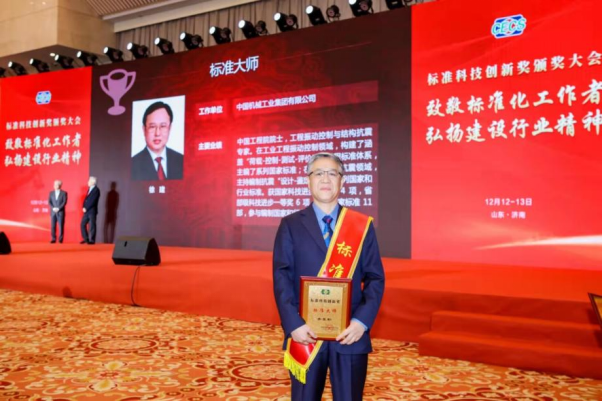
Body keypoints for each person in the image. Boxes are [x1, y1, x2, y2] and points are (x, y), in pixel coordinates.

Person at [273, 152, 385, 401]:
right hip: (305, 333)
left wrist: (361, 322)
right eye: (319, 173)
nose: (326, 179)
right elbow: (281, 277)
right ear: (308, 180)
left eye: (333, 173)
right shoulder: (290, 224)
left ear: (342, 181)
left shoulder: (361, 225)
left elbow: (375, 278)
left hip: (350, 334)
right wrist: (293, 324)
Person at [131, 101, 183, 181]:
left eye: (163, 126)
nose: (157, 133)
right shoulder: (133, 164)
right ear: (144, 129)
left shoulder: (181, 160)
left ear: (170, 128)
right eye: (152, 127)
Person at [80, 176, 100, 244]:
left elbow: (93, 201)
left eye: (89, 181)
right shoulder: (89, 189)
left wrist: (86, 208)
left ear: (92, 182)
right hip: (86, 211)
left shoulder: (96, 190)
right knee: (82, 224)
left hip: (92, 211)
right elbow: (86, 199)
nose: (87, 182)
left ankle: (92, 240)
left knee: (92, 226)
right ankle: (86, 239)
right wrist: (83, 207)